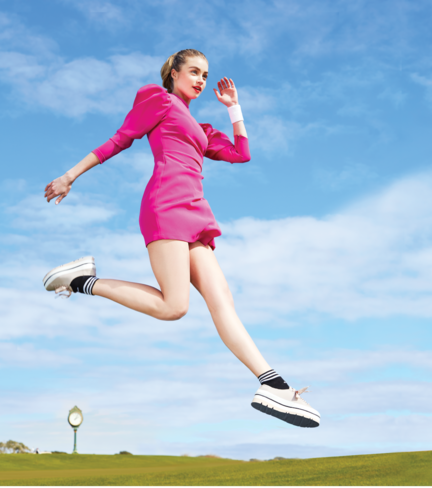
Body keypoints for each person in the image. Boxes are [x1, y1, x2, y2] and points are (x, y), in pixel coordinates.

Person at [42, 49, 319, 428]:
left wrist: (234, 108)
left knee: (223, 300)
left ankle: (273, 384)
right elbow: (118, 140)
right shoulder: (158, 100)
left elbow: (241, 154)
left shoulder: (201, 129)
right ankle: (80, 281)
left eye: (205, 75)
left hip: (195, 211)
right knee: (175, 307)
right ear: (173, 73)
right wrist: (70, 176)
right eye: (193, 72)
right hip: (166, 205)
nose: (201, 80)